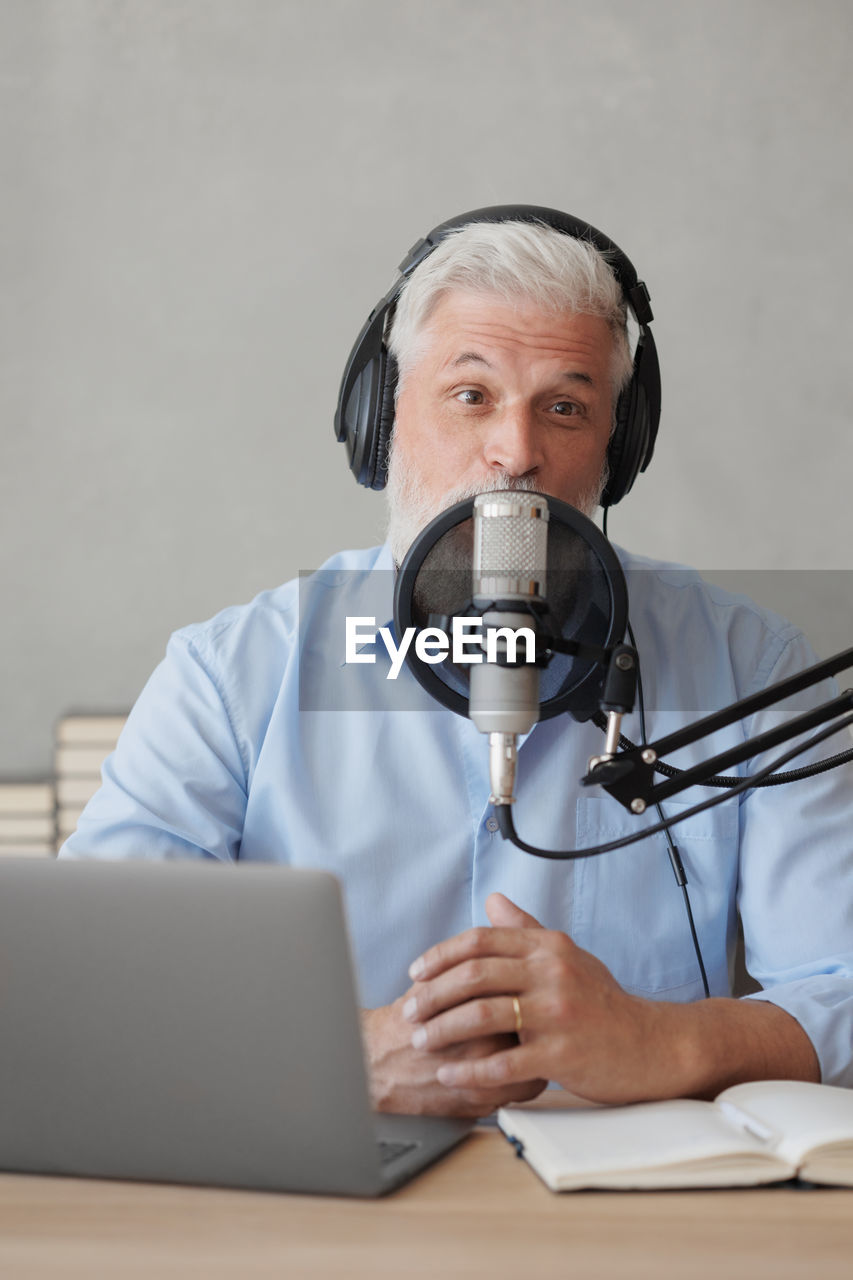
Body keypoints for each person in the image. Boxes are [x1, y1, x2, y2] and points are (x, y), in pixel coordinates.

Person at [61, 207, 853, 1113]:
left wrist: (660, 1039)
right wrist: (343, 1061)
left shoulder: (749, 666)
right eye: (471, 395)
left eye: (565, 407)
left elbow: (845, 984)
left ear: (615, 450)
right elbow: (92, 989)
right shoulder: (232, 676)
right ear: (382, 421)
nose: (515, 452)